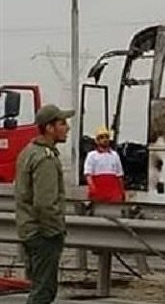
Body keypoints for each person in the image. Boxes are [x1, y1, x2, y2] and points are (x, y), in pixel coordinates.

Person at [15, 104, 73, 304]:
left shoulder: (29, 151)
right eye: (62, 123)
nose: (67, 128)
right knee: (43, 292)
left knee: (39, 286)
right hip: (42, 234)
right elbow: (45, 203)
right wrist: (55, 231)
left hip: (29, 230)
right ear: (49, 128)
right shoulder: (45, 158)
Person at [83, 126, 125, 203]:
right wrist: (93, 189)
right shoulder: (92, 155)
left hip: (113, 193)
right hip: (99, 192)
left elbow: (119, 176)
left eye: (107, 137)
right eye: (102, 137)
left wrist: (122, 192)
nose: (105, 140)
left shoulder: (115, 155)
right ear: (97, 141)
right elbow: (88, 175)